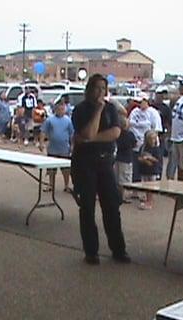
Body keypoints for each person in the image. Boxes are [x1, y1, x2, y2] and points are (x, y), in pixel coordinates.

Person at [71, 74, 129, 265]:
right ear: (89, 89)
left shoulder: (111, 109)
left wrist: (91, 138)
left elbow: (115, 132)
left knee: (112, 206)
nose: (100, 92)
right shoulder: (80, 110)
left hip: (105, 163)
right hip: (85, 164)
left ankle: (118, 249)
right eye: (97, 88)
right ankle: (91, 252)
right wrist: (97, 112)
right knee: (87, 208)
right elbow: (86, 131)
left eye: (103, 89)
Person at [40, 101, 74, 192]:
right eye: (59, 109)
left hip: (64, 149)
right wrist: (41, 143)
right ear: (55, 109)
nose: (60, 111)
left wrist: (72, 145)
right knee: (51, 169)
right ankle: (51, 185)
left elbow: (71, 134)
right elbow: (43, 131)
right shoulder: (49, 120)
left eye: (62, 109)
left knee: (66, 169)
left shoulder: (68, 120)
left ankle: (66, 185)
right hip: (52, 149)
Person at [128, 95, 157, 182]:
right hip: (135, 144)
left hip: (147, 145)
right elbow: (129, 124)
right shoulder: (134, 111)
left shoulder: (153, 112)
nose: (139, 104)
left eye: (141, 102)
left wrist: (152, 143)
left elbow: (156, 129)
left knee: (148, 170)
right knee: (136, 169)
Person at [115, 115, 136, 203]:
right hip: (127, 158)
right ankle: (125, 196)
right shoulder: (130, 134)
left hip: (117, 157)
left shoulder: (117, 134)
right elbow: (134, 143)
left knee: (117, 177)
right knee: (126, 178)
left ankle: (118, 195)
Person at [138, 130, 161, 210]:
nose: (153, 141)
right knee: (145, 185)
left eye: (155, 139)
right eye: (151, 139)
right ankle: (147, 199)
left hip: (153, 170)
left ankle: (150, 201)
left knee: (151, 186)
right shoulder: (143, 147)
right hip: (144, 169)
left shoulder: (156, 149)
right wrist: (144, 160)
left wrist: (149, 158)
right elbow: (139, 157)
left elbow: (158, 160)